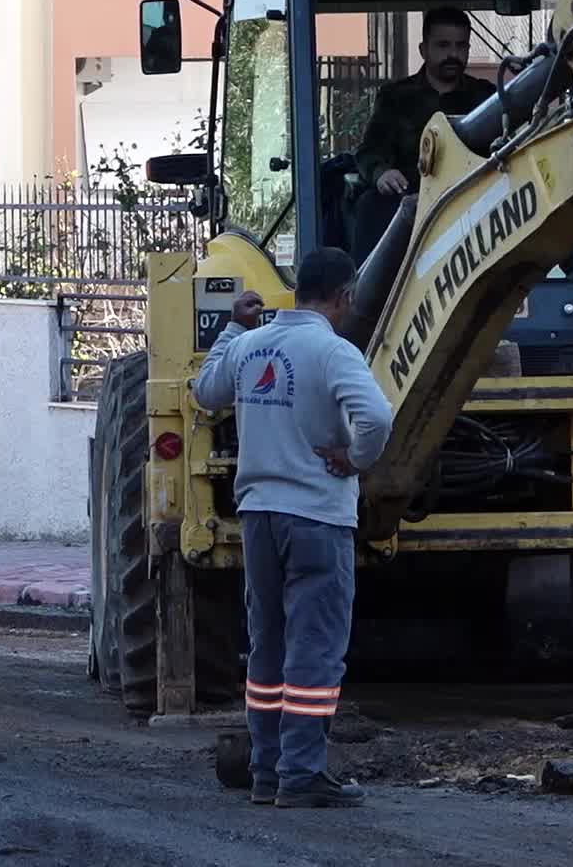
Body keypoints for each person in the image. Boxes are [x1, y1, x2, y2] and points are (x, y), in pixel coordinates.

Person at [192, 248, 392, 809]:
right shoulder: (332, 351)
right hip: (317, 517)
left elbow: (206, 391)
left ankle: (266, 771)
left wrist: (233, 327)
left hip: (258, 513)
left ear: (297, 287)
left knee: (268, 645)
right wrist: (354, 459)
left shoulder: (253, 345)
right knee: (316, 646)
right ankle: (302, 773)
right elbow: (376, 418)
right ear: (345, 295)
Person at [349, 7, 498, 260]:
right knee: (370, 207)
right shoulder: (395, 97)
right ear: (423, 50)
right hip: (409, 204)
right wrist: (382, 173)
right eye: (443, 45)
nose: (453, 54)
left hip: (472, 201)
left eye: (461, 46)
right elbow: (369, 150)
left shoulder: (486, 97)